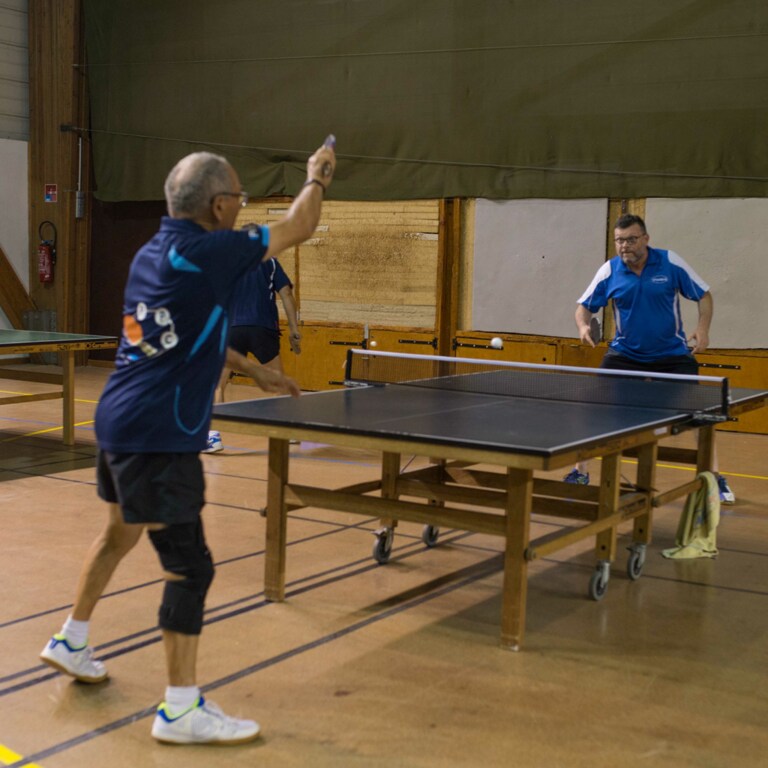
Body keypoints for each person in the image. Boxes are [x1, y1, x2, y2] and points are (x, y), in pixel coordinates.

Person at [39, 140, 336, 745]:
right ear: (220, 205)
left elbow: (181, 334)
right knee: (190, 567)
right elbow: (300, 225)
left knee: (120, 532)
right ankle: (179, 709)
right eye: (240, 196)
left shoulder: (153, 253)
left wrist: (254, 371)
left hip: (118, 420)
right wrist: (317, 177)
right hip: (160, 432)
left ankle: (71, 639)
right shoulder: (215, 249)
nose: (241, 205)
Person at [567, 213, 735, 504]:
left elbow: (704, 295)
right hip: (624, 355)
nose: (625, 246)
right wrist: (582, 326)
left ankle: (715, 479)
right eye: (619, 240)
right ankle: (579, 472)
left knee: (701, 415)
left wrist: (703, 329)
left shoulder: (670, 262)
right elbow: (583, 307)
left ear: (645, 239)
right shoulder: (610, 270)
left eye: (631, 239)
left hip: (672, 355)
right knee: (595, 410)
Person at [204, 255, 301, 452]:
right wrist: (294, 329)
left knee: (218, 384)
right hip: (263, 328)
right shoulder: (270, 261)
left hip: (232, 328)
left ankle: (213, 437)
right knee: (278, 381)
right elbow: (286, 294)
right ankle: (288, 431)